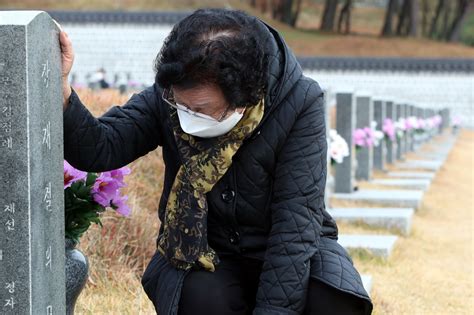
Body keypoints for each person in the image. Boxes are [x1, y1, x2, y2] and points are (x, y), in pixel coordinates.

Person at [59, 8, 373, 315]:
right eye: (180, 105)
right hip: (205, 248)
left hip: (286, 244)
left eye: (202, 109)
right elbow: (101, 148)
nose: (187, 116)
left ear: (246, 96)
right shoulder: (171, 93)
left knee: (329, 299)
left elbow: (295, 226)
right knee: (201, 300)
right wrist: (63, 94)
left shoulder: (300, 102)